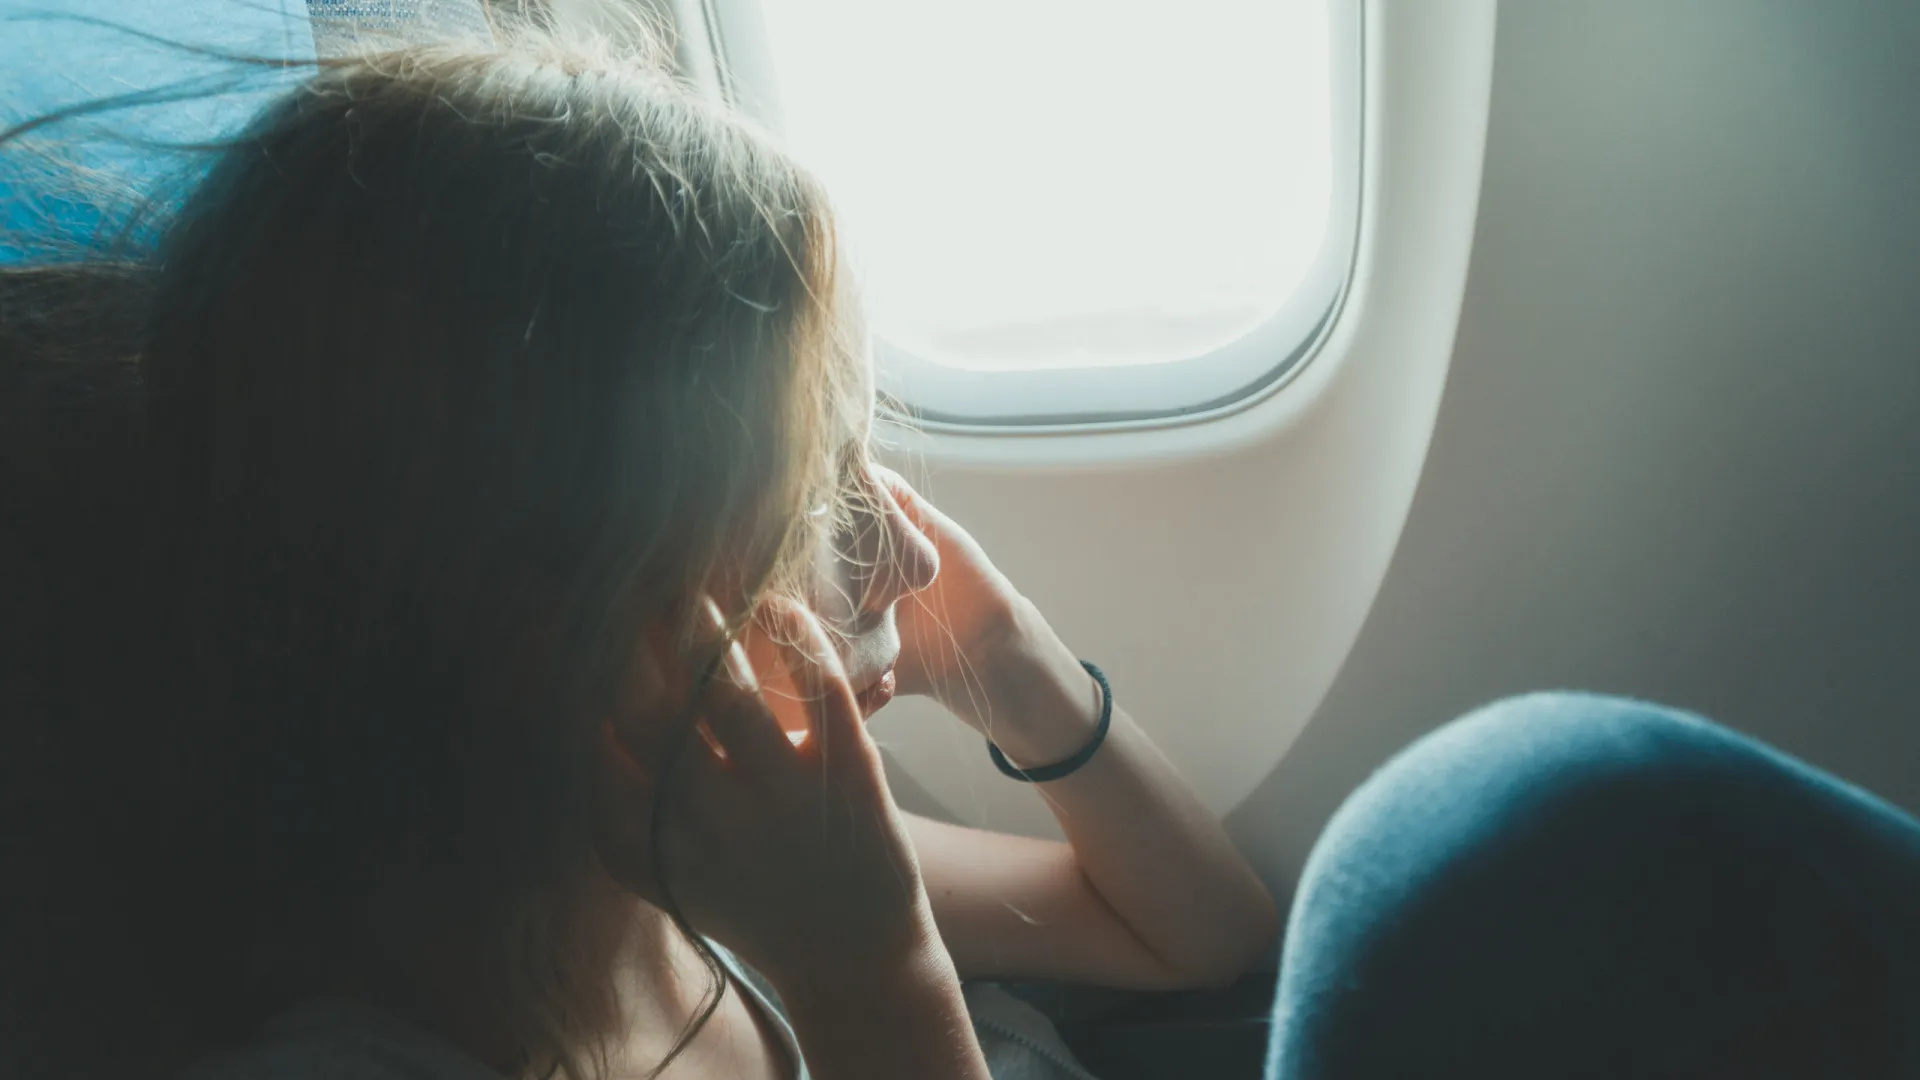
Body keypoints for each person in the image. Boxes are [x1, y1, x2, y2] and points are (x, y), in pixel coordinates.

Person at [0, 17, 1279, 1080]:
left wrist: (1001, 653)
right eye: (819, 495)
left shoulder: (692, 874)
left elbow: (1201, 934)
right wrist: (874, 980)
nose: (910, 556)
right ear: (575, 604)